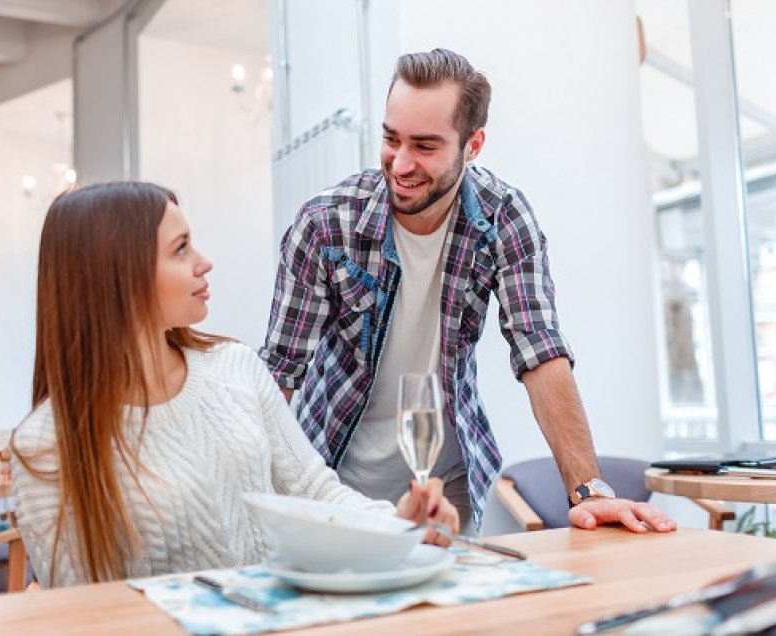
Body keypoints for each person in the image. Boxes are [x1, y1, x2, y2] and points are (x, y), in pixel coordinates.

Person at [259, 48, 675, 535]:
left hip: (445, 484)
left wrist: (589, 491)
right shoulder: (326, 225)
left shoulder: (503, 218)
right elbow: (279, 372)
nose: (401, 162)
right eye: (391, 139)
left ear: (472, 145)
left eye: (426, 146)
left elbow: (540, 352)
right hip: (333, 476)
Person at [10, 182, 458, 589]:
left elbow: (316, 492)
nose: (204, 262)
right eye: (181, 249)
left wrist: (400, 527)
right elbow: (80, 615)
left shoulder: (236, 368)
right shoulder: (45, 445)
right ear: (119, 277)